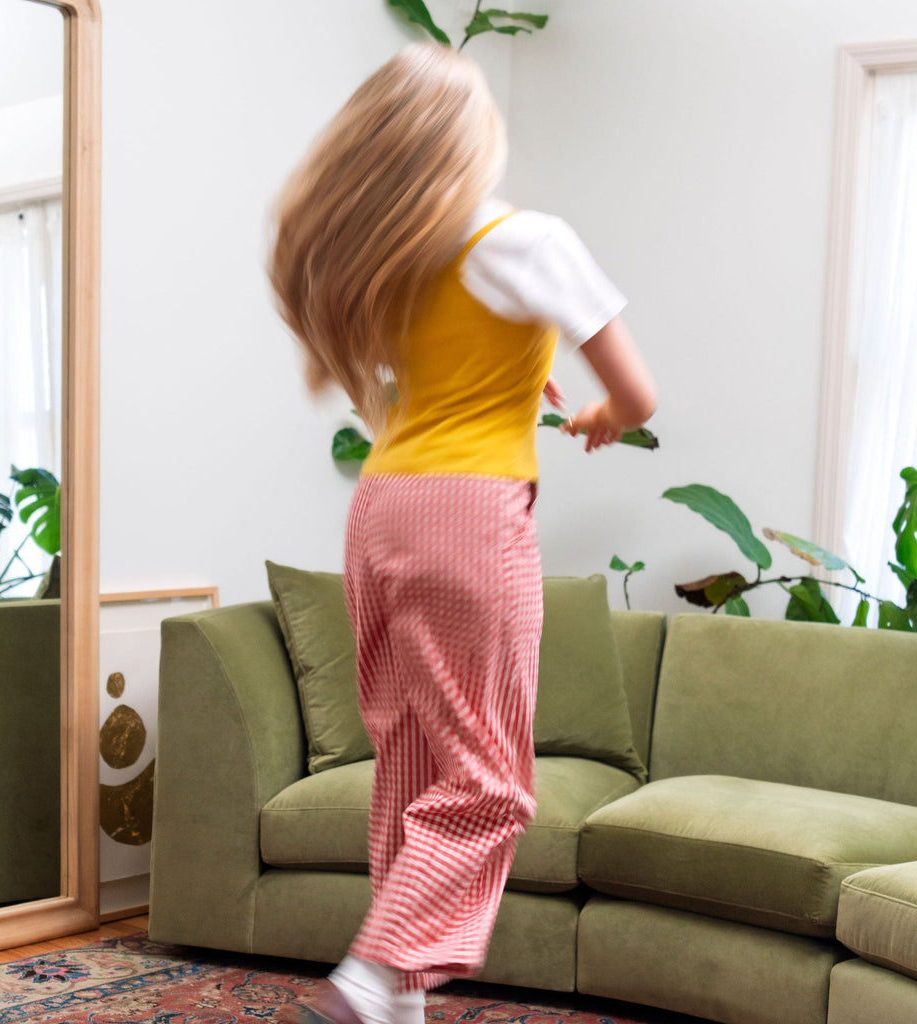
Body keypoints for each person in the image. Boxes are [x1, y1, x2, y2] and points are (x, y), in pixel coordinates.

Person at [269, 41, 656, 1024]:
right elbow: (638, 394)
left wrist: (525, 371)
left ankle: (395, 1005)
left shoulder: (390, 263)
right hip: (469, 515)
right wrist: (603, 416)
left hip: (381, 511)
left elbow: (452, 370)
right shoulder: (530, 240)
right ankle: (372, 978)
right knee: (488, 784)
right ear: (467, 139)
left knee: (411, 767)